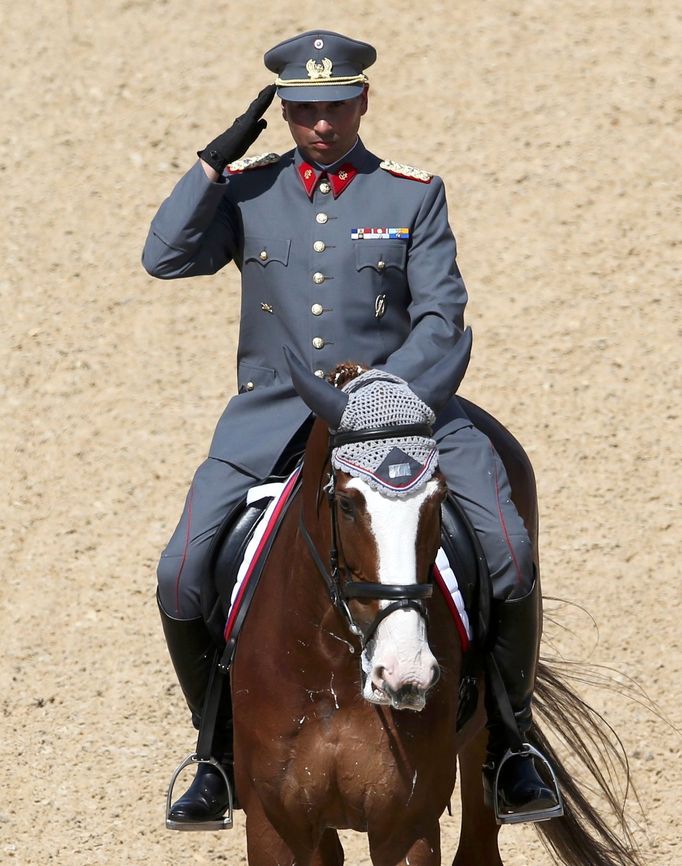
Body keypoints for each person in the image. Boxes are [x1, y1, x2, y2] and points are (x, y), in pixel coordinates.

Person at [142, 29, 561, 828]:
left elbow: (443, 314)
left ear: (363, 101)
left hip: (407, 411)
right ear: (286, 113)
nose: (322, 125)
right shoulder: (248, 192)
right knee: (180, 572)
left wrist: (384, 391)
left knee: (508, 553)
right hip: (268, 419)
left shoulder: (411, 194)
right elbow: (163, 257)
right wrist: (210, 165)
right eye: (303, 111)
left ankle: (511, 746)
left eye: (335, 107)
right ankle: (217, 756)